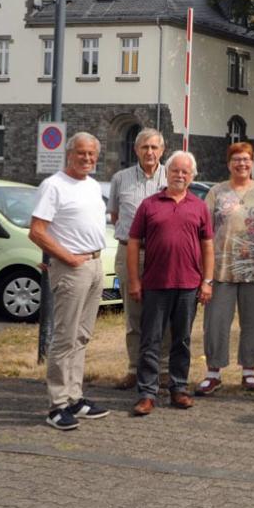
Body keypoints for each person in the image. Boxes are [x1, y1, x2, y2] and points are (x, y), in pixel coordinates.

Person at [28, 132, 110, 430]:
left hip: (95, 264)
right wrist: (67, 257)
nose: (87, 158)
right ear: (69, 153)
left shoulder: (92, 186)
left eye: (91, 154)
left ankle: (75, 398)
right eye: (81, 153)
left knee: (82, 335)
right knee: (64, 337)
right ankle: (57, 404)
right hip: (72, 267)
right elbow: (37, 231)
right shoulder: (53, 186)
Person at [128, 151, 214, 416]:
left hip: (188, 285)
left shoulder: (199, 207)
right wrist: (134, 280)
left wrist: (207, 281)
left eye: (185, 172)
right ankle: (147, 393)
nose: (180, 175)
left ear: (192, 176)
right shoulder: (149, 204)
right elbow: (133, 243)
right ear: (167, 173)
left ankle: (178, 388)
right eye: (175, 170)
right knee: (150, 340)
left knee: (182, 341)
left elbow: (208, 247)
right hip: (155, 283)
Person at [197, 142, 254, 395]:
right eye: (236, 160)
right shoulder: (216, 192)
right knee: (216, 322)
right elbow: (205, 232)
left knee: (253, 321)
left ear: (252, 162)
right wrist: (203, 270)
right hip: (221, 268)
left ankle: (249, 370)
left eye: (246, 159)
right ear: (228, 164)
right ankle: (213, 372)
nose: (241, 164)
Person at [107, 127, 169, 390]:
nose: (150, 152)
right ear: (136, 150)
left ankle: (163, 370)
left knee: (164, 315)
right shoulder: (120, 178)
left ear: (162, 150)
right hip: (129, 252)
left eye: (154, 147)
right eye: (145, 147)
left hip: (162, 255)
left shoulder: (172, 176)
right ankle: (134, 368)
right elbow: (115, 216)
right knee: (134, 315)